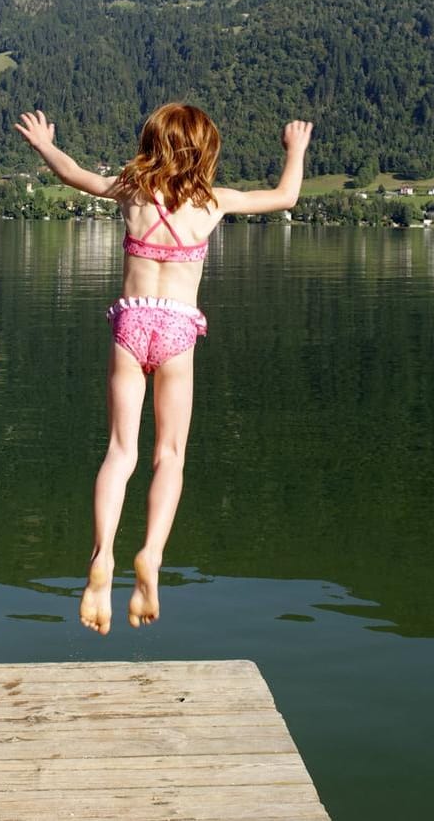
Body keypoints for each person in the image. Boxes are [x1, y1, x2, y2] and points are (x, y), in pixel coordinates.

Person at [15, 103, 312, 633]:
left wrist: (43, 144)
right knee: (169, 454)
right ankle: (150, 554)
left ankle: (101, 556)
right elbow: (285, 197)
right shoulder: (212, 202)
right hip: (177, 330)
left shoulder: (131, 190)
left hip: (131, 325)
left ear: (151, 143)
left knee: (119, 451)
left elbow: (74, 174)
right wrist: (296, 150)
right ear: (206, 151)